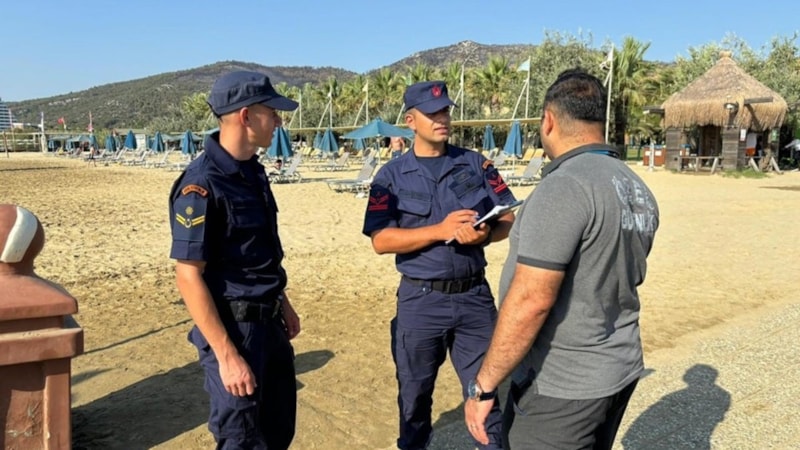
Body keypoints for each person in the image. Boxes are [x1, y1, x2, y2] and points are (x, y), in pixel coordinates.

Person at [464, 68, 660, 449]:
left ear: (548, 120)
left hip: (563, 385)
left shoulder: (565, 186)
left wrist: (484, 387)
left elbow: (531, 301)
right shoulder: (636, 187)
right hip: (617, 368)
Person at [362, 80, 517, 450]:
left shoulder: (476, 163)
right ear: (411, 121)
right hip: (421, 302)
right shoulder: (390, 177)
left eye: (445, 111)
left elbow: (507, 218)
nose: (442, 118)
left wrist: (484, 236)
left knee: (487, 394)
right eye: (433, 114)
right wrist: (439, 230)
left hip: (473, 300)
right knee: (414, 400)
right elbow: (381, 241)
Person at [169, 70, 301, 450]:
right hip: (233, 330)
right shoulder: (201, 184)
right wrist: (227, 356)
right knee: (241, 440)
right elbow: (188, 275)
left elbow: (259, 251)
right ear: (246, 116)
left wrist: (283, 303)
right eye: (271, 111)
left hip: (269, 323)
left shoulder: (253, 173)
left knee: (277, 432)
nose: (278, 120)